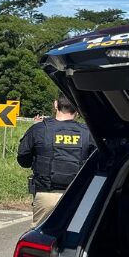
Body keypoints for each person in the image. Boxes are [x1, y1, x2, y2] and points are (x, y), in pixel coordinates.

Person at [16, 95, 94, 227]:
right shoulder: (88, 133)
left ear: (56, 104)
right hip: (77, 196)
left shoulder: (39, 130)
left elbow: (23, 159)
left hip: (46, 194)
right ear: (77, 109)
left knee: (40, 238)